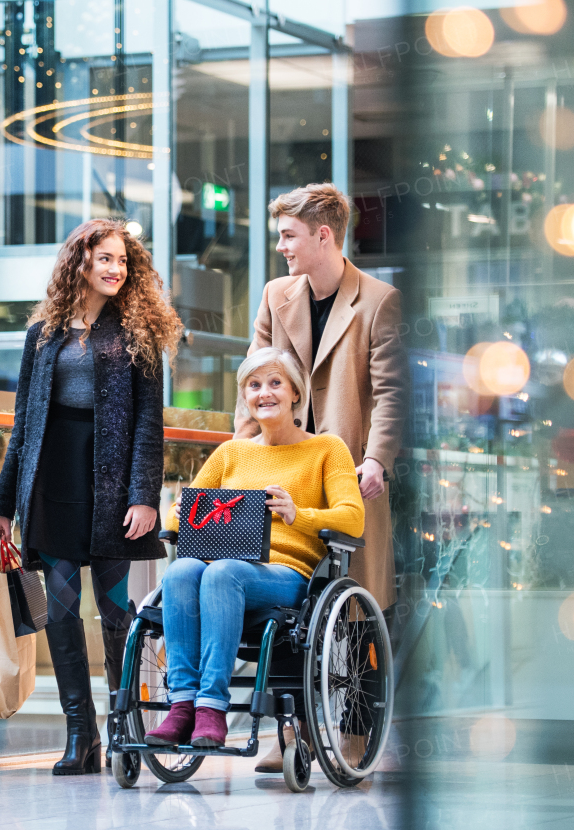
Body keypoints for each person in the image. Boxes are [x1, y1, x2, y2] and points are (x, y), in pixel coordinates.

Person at [0, 218, 183, 775]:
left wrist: (144, 496)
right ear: (80, 261)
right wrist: (4, 504)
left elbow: (151, 423)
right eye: (104, 258)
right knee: (59, 612)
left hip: (111, 488)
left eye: (122, 260)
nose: (115, 268)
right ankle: (82, 737)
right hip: (49, 487)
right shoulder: (44, 334)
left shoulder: (138, 333)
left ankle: (125, 729)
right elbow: (23, 423)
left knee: (117, 615)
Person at [235, 183, 406, 771]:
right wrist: (240, 458)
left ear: (323, 236)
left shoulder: (379, 301)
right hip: (278, 470)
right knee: (285, 611)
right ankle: (292, 740)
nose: (280, 247)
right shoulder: (277, 295)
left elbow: (390, 394)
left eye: (288, 236)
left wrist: (377, 459)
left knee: (353, 613)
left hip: (344, 477)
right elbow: (252, 382)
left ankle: (352, 742)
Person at [144, 347, 365, 748]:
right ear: (245, 396)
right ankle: (181, 707)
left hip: (290, 577)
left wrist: (301, 514)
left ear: (296, 392)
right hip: (223, 570)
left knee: (221, 572)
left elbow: (353, 518)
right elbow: (180, 518)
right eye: (254, 385)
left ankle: (211, 707)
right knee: (180, 571)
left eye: (275, 383)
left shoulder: (326, 450)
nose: (264, 393)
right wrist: (181, 511)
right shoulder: (231, 453)